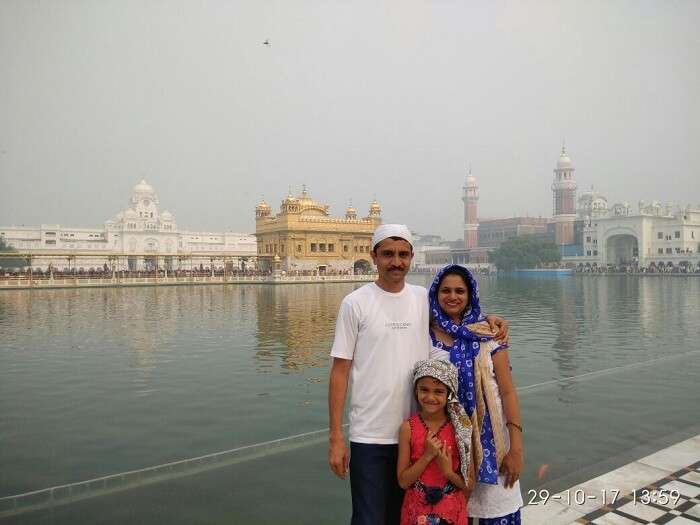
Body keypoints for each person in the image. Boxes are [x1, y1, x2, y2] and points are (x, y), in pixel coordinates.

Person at [328, 224, 509, 525]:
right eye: (387, 254)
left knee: (412, 517)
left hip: (418, 434)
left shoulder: (421, 298)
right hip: (369, 434)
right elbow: (340, 371)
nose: (395, 262)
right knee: (368, 518)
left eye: (402, 254)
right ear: (374, 256)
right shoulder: (355, 303)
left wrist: (490, 320)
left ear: (411, 257)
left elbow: (458, 317)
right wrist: (336, 436)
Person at [428, 264, 523, 525]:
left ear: (470, 295)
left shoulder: (489, 333)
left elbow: (507, 391)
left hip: (494, 448)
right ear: (435, 294)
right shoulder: (424, 337)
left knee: (498, 513)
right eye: (445, 290)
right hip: (447, 449)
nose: (453, 296)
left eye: (460, 290)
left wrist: (516, 449)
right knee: (450, 515)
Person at [398, 359, 472, 525]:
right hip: (416, 511)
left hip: (452, 510)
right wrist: (427, 456)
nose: (430, 397)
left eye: (438, 392)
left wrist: (448, 472)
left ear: (449, 394)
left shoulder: (461, 429)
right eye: (424, 390)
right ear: (415, 390)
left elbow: (469, 485)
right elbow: (403, 482)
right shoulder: (408, 429)